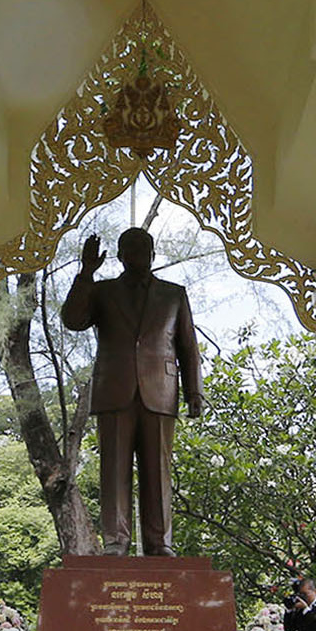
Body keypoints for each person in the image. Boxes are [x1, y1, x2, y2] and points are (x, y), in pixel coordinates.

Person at [59, 227, 202, 555]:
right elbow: (73, 319)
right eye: (131, 249)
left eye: (144, 248)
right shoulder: (103, 292)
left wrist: (194, 393)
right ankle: (116, 541)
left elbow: (188, 347)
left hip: (161, 392)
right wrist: (85, 274)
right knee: (115, 471)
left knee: (157, 472)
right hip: (114, 389)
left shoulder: (174, 294)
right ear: (120, 256)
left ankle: (159, 543)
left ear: (153, 254)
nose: (138, 254)